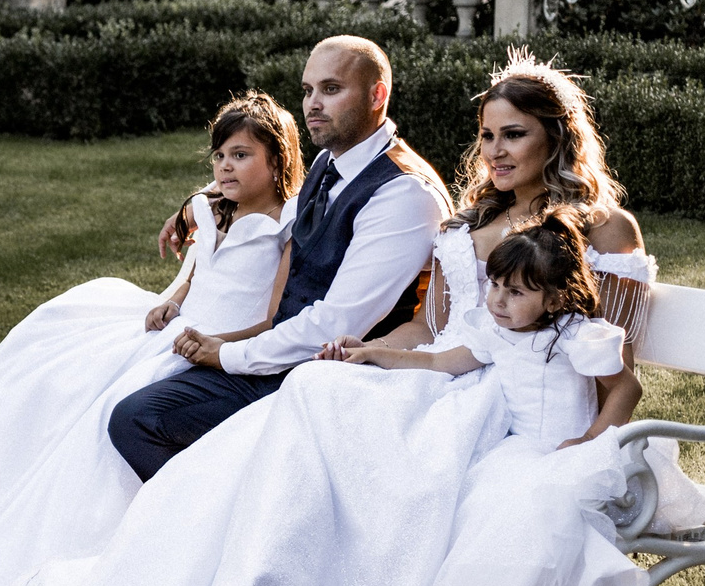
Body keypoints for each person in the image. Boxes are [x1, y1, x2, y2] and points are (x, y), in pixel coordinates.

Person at [0, 53, 674, 586]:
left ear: (556, 138)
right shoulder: (469, 223)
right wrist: (369, 352)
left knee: (336, 415)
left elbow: (613, 366)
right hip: (440, 374)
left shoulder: (601, 229)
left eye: (514, 135)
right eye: (488, 136)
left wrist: (584, 445)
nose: (495, 152)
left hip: (514, 407)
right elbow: (430, 331)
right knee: (320, 387)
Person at [0, 92, 300, 586]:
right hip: (178, 329)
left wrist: (221, 344)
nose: (226, 166)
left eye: (241, 155)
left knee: (108, 411)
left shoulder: (286, 227)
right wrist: (175, 299)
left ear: (278, 161)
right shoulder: (209, 208)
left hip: (218, 346)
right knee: (46, 352)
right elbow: (202, 269)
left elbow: (273, 318)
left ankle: (139, 542)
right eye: (219, 156)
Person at [344, 215, 646, 586]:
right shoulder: (496, 331)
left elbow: (627, 389)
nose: (499, 302)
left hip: (567, 453)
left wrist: (591, 440)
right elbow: (445, 362)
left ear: (553, 299)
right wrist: (377, 353)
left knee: (513, 504)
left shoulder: (574, 334)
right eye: (496, 287)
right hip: (518, 450)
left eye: (516, 293)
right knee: (463, 495)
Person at [105, 36, 448, 480]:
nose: (313, 105)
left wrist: (229, 353)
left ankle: (216, 518)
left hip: (326, 375)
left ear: (376, 95)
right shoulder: (331, 161)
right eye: (307, 91)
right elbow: (272, 192)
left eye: (330, 89)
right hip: (277, 352)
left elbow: (337, 324)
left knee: (138, 420)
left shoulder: (402, 192)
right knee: (127, 392)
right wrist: (196, 204)